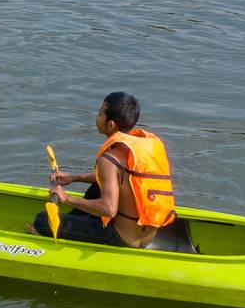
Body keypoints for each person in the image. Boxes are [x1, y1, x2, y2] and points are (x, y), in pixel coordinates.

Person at [31, 92, 196, 252]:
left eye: (100, 113)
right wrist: (75, 177)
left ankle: (53, 234)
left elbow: (108, 209)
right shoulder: (138, 148)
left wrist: (66, 198)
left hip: (121, 237)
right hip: (148, 236)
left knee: (42, 219)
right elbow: (119, 180)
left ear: (110, 124)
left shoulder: (108, 159)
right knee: (97, 186)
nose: (97, 117)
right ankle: (69, 224)